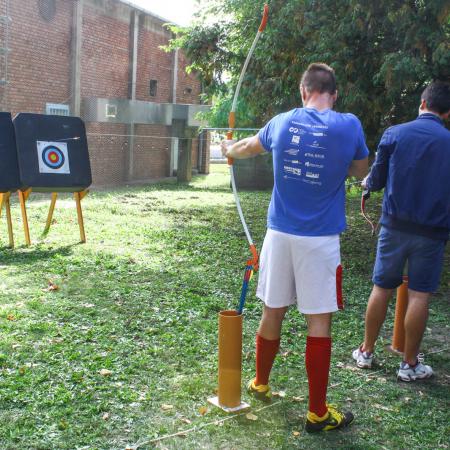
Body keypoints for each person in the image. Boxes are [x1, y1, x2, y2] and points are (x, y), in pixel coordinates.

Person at [221, 63, 369, 432]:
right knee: (318, 320)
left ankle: (260, 382)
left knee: (273, 310)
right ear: (332, 95)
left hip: (279, 236)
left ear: (303, 92)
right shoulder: (348, 124)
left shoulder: (282, 122)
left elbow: (246, 147)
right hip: (319, 241)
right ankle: (317, 412)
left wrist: (226, 147)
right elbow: (361, 169)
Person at [352, 81, 450, 381]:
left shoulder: (394, 133)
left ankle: (366, 353)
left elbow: (376, 180)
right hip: (432, 232)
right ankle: (409, 365)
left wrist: (367, 183)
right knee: (420, 295)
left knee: (382, 287)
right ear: (447, 113)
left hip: (394, 226)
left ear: (422, 103)